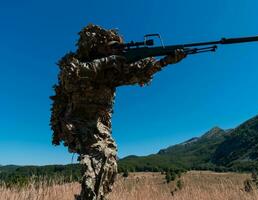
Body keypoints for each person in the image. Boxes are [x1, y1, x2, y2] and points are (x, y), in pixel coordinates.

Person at [50, 24, 186, 200]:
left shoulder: (113, 73)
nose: (113, 51)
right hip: (75, 121)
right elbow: (71, 76)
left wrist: (165, 61)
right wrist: (108, 60)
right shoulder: (75, 62)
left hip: (98, 126)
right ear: (94, 47)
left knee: (110, 161)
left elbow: (139, 74)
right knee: (100, 156)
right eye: (110, 47)